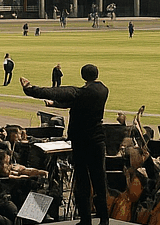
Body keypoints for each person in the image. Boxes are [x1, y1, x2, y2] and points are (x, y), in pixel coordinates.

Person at [21, 63, 109, 225]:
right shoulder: (103, 90)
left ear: (83, 76)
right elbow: (77, 102)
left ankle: (86, 220)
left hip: (81, 142)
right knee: (99, 181)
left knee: (82, 182)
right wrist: (55, 104)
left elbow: (56, 92)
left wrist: (30, 89)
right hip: (98, 141)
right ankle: (104, 219)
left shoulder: (80, 93)